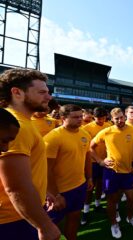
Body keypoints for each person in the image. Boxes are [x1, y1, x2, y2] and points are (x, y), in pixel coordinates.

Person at [0, 68, 60, 240]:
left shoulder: (24, 122)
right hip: (14, 219)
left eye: (48, 92)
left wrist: (42, 192)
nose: (48, 97)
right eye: (42, 92)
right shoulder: (18, 125)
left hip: (22, 213)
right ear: (17, 93)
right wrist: (44, 225)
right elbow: (15, 186)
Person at [90, 108, 133, 239]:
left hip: (128, 171)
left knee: (131, 198)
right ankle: (114, 224)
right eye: (116, 118)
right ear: (112, 119)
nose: (120, 120)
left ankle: (130, 218)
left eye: (121, 117)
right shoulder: (106, 131)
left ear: (124, 116)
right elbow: (90, 147)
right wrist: (100, 161)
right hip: (111, 172)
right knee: (112, 200)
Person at [44, 104, 93, 240]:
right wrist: (55, 194)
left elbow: (87, 157)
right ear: (63, 118)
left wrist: (89, 177)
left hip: (79, 186)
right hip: (59, 191)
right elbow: (46, 169)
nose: (80, 120)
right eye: (75, 117)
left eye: (80, 116)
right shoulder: (52, 138)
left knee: (74, 219)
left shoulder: (84, 134)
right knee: (51, 227)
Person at [81, 107, 112, 225]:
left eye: (104, 117)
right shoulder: (86, 128)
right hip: (91, 162)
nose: (102, 120)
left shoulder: (108, 125)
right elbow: (86, 147)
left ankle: (98, 204)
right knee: (90, 187)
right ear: (94, 117)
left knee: (100, 184)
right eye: (99, 118)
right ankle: (86, 211)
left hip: (105, 161)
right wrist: (97, 160)